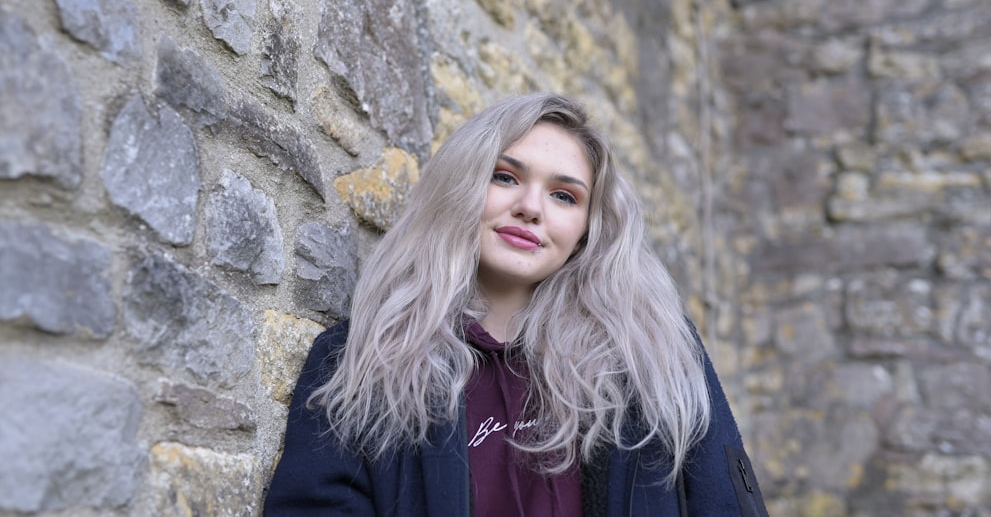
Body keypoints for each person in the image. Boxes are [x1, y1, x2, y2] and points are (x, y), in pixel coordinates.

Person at [264, 93, 768, 516]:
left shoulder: (653, 351)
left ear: (586, 232)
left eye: (564, 196)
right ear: (463, 188)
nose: (530, 207)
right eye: (505, 177)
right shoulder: (362, 357)